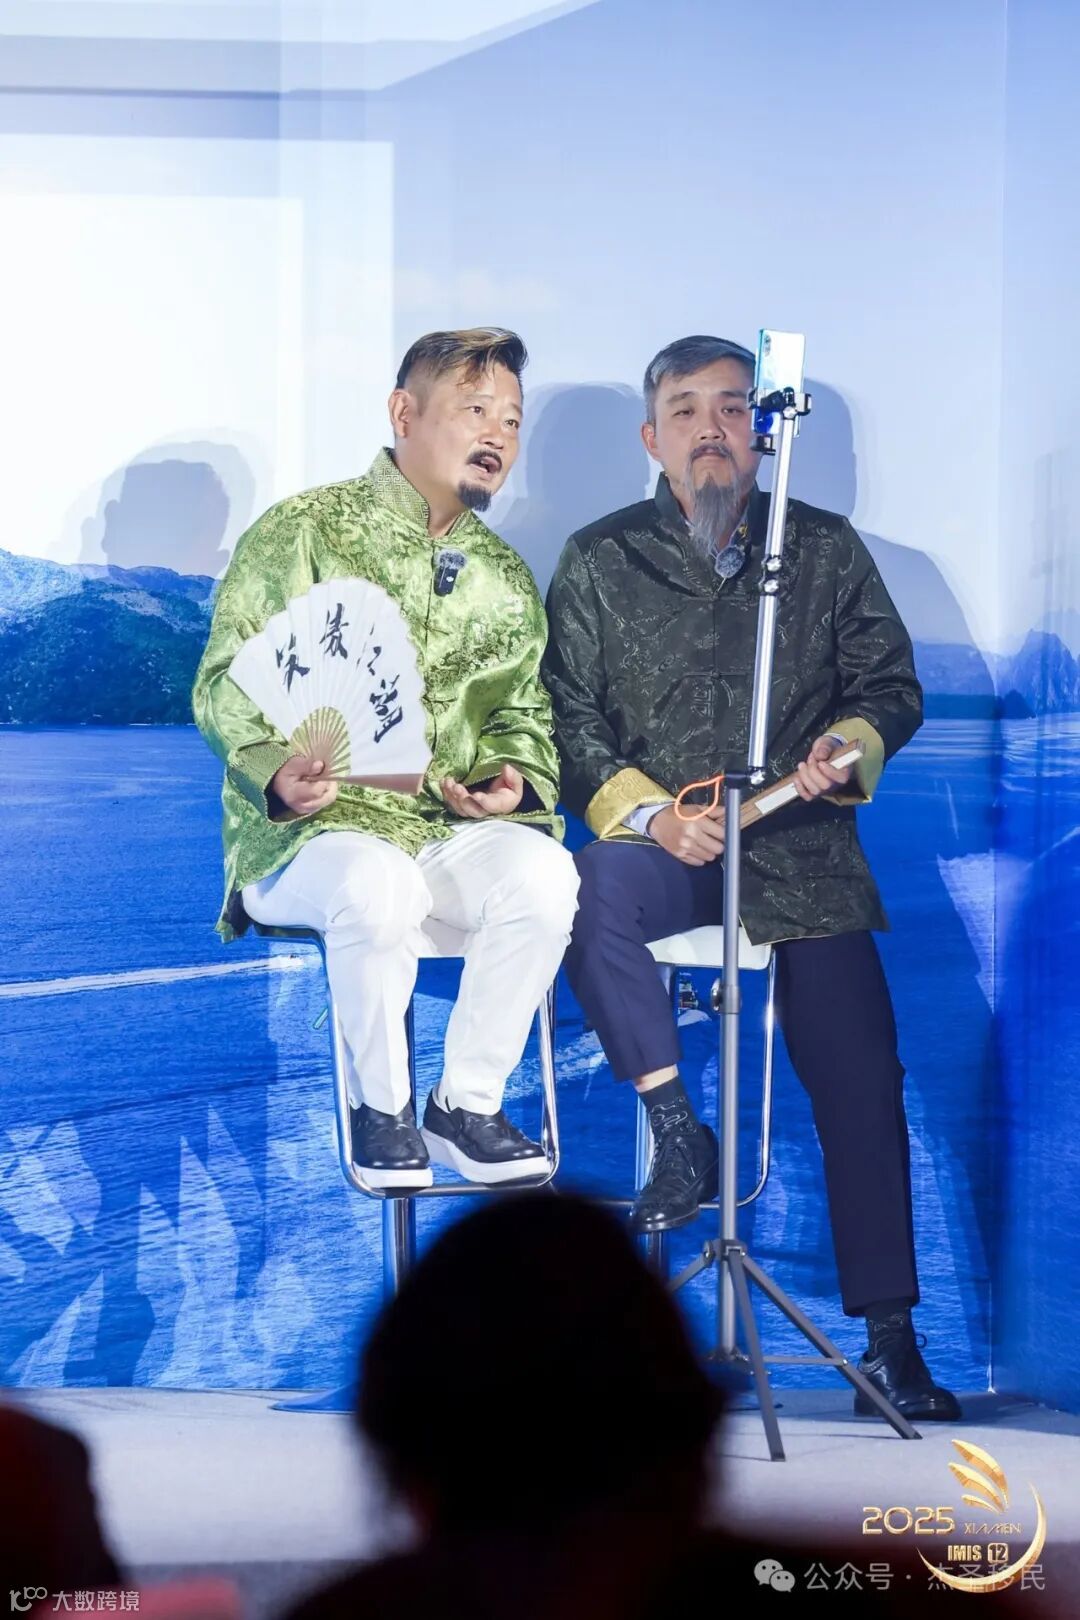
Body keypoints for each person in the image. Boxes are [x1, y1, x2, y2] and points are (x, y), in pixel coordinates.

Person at [542, 334, 959, 1421]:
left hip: (801, 850)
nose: (711, 430)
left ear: (765, 433)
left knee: (861, 1075)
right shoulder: (598, 558)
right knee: (590, 891)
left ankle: (891, 1342)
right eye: (686, 411)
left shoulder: (821, 548)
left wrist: (849, 748)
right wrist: (649, 814)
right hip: (668, 848)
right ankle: (682, 1135)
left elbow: (890, 685)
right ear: (652, 438)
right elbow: (566, 718)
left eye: (733, 408)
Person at [194, 329, 578, 1189]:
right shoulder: (304, 531)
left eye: (511, 421)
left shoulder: (505, 579)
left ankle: (465, 1106)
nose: (497, 435)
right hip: (309, 837)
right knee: (379, 885)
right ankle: (383, 1108)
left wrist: (512, 781)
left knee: (546, 875)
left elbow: (523, 714)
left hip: (440, 830)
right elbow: (224, 679)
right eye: (475, 410)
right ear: (405, 413)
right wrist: (273, 768)